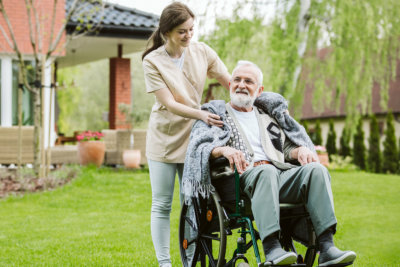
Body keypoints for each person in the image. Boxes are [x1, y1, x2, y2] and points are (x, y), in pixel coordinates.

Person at [182, 60, 356, 266]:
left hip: (276, 175)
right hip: (238, 181)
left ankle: (326, 247)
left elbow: (283, 148)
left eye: (249, 81)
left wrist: (299, 150)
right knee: (265, 171)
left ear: (260, 90)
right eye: (236, 80)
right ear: (229, 85)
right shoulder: (216, 115)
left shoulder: (267, 117)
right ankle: (272, 248)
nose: (241, 85)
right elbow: (198, 146)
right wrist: (222, 149)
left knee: (316, 171)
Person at [141, 2, 230, 267]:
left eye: (192, 29)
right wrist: (202, 114)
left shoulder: (201, 51)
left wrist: (251, 92)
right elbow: (169, 103)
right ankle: (164, 263)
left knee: (191, 200)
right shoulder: (152, 61)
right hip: (164, 138)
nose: (189, 35)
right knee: (162, 203)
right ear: (166, 32)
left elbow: (228, 79)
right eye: (182, 31)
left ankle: (190, 259)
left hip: (194, 138)